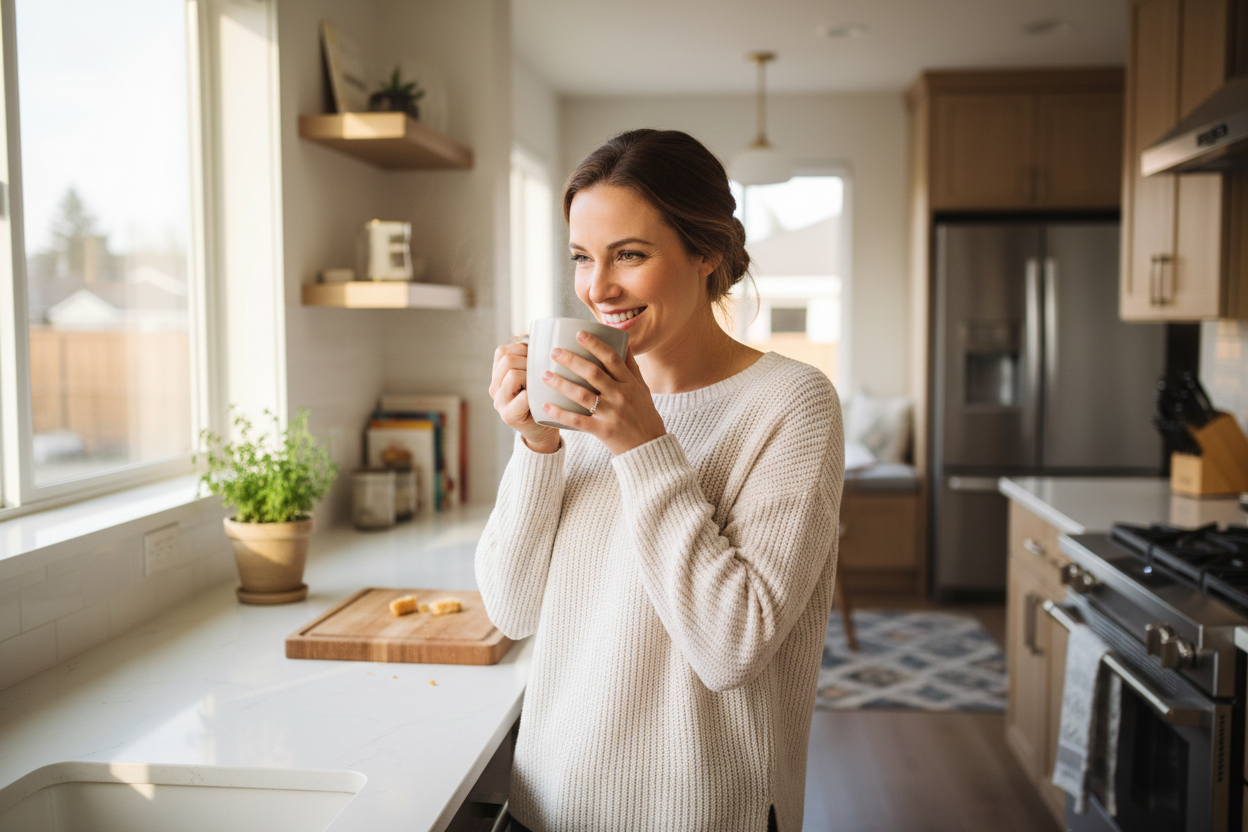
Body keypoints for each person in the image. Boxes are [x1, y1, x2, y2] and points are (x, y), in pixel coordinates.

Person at [476, 128, 844, 832]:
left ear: (706, 252)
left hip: (703, 813)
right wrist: (537, 443)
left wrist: (642, 443)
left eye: (630, 255)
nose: (598, 288)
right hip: (547, 802)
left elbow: (730, 647)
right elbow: (511, 609)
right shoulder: (580, 396)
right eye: (583, 258)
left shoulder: (791, 404)